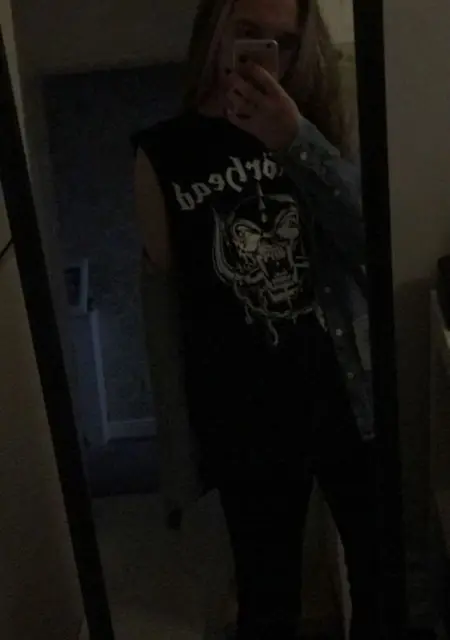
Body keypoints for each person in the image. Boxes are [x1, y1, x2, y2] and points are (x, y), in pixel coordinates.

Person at [132, 0, 382, 638]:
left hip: (348, 399)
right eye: (247, 32)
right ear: (214, 31)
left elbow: (373, 250)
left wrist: (296, 141)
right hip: (246, 425)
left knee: (384, 584)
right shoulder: (162, 154)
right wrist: (179, 467)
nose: (265, 53)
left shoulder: (318, 126)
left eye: (284, 41)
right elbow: (165, 323)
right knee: (268, 606)